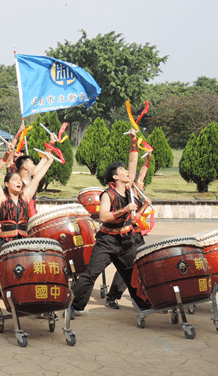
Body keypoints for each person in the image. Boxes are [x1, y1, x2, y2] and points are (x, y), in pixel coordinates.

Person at [0, 148, 55, 325]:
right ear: (7, 184)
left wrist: (50, 161)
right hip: (4, 244)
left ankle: (33, 306)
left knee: (29, 274)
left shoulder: (26, 197)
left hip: (22, 243)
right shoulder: (1, 198)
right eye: (14, 180)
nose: (18, 182)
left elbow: (36, 178)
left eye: (19, 181)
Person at [71, 130, 151, 313]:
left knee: (133, 275)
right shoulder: (108, 194)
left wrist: (133, 141)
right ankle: (73, 306)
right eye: (122, 171)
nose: (126, 172)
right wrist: (124, 210)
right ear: (115, 177)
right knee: (91, 274)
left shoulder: (129, 190)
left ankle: (144, 305)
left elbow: (133, 162)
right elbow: (103, 216)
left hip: (127, 241)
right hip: (107, 242)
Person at [105, 154, 153, 309]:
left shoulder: (137, 195)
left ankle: (144, 297)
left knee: (142, 265)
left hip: (137, 236)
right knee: (126, 268)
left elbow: (142, 174)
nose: (143, 184)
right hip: (126, 235)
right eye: (141, 182)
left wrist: (148, 160)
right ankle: (113, 296)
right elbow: (134, 219)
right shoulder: (131, 190)